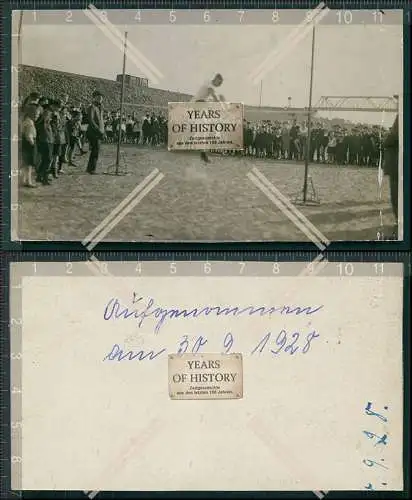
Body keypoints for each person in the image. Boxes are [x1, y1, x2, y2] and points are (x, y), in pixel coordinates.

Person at [192, 73, 224, 163]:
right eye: (219, 83)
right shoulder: (209, 84)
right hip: (198, 103)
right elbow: (213, 95)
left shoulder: (211, 87)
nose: (219, 85)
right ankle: (199, 147)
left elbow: (213, 97)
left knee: (206, 128)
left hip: (202, 105)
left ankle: (202, 152)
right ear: (216, 79)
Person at [383, 114, 399, 230]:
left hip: (397, 167)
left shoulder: (401, 117)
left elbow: (389, 141)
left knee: (396, 195)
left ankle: (399, 222)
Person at [21, 104, 41, 188]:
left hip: (25, 143)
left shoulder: (27, 120)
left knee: (26, 163)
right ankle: (28, 181)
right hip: (29, 143)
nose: (37, 116)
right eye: (36, 114)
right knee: (29, 164)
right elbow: (29, 135)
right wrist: (32, 143)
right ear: (32, 113)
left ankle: (24, 180)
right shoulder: (29, 123)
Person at [86, 90, 105, 174]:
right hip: (94, 132)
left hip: (99, 131)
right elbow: (91, 120)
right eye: (98, 98)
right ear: (94, 98)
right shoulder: (92, 107)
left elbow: (101, 120)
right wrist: (98, 130)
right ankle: (92, 169)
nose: (100, 99)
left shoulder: (100, 108)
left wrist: (103, 131)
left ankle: (90, 168)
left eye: (101, 98)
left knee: (96, 150)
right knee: (95, 150)